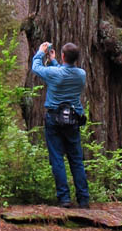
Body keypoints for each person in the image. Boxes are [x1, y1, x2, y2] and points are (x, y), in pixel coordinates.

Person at [32, 41, 90, 209]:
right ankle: (83, 199)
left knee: (57, 158)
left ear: (63, 56)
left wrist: (40, 53)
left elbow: (36, 68)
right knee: (76, 160)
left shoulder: (53, 73)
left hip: (54, 119)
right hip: (72, 120)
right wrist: (54, 61)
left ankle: (64, 199)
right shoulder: (81, 74)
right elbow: (64, 73)